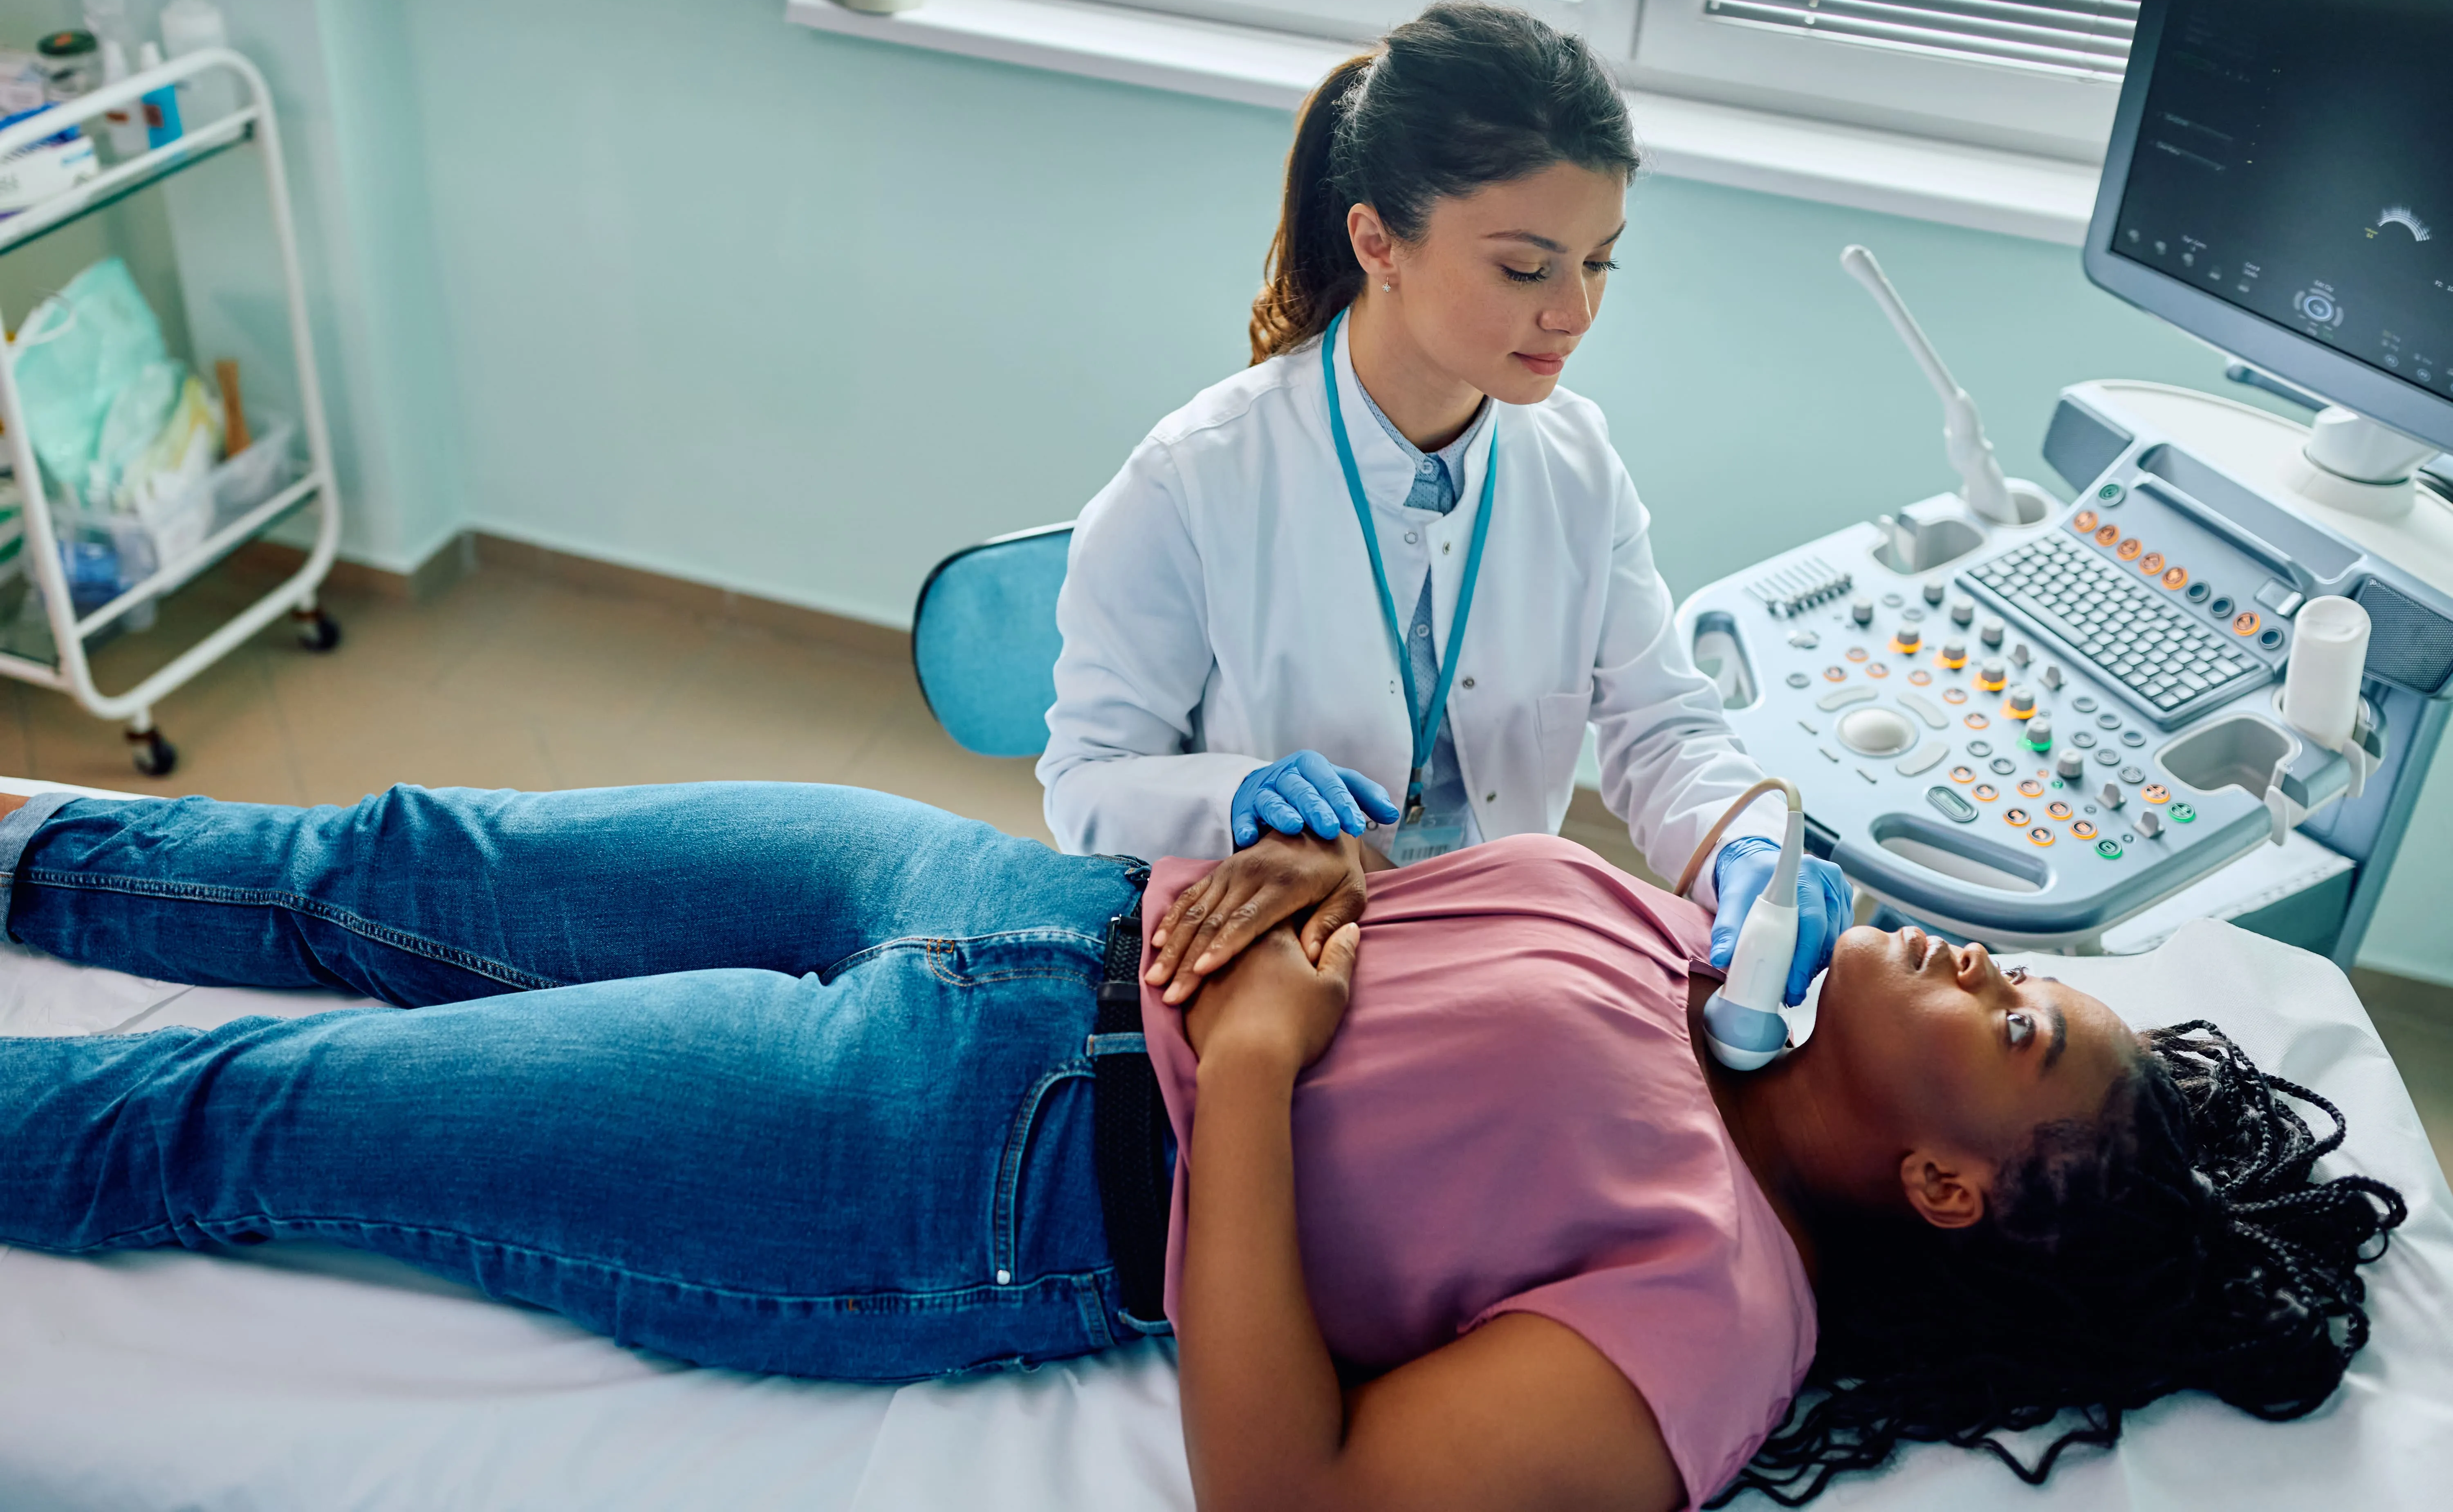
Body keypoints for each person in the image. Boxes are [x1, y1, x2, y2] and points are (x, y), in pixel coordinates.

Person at [0, 782, 2404, 1511]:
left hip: (956, 1165)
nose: (1980, 964)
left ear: (1955, 1186)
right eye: (2020, 969)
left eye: (2015, 1024)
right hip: (990, 895)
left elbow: (1302, 1503)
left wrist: (1249, 1075)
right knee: (379, 865)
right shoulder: (1690, 944)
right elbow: (1411, 935)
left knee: (247, 1122)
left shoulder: (1716, 1310)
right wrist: (1312, 870)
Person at [1038, 0, 1849, 1001]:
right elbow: (1084, 787)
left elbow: (1661, 725)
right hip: (1284, 963)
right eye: (1525, 267)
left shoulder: (1576, 465)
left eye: (1600, 261)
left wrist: (1748, 842)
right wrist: (1233, 796)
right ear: (1379, 243)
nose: (1576, 312)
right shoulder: (1195, 477)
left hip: (1494, 953)